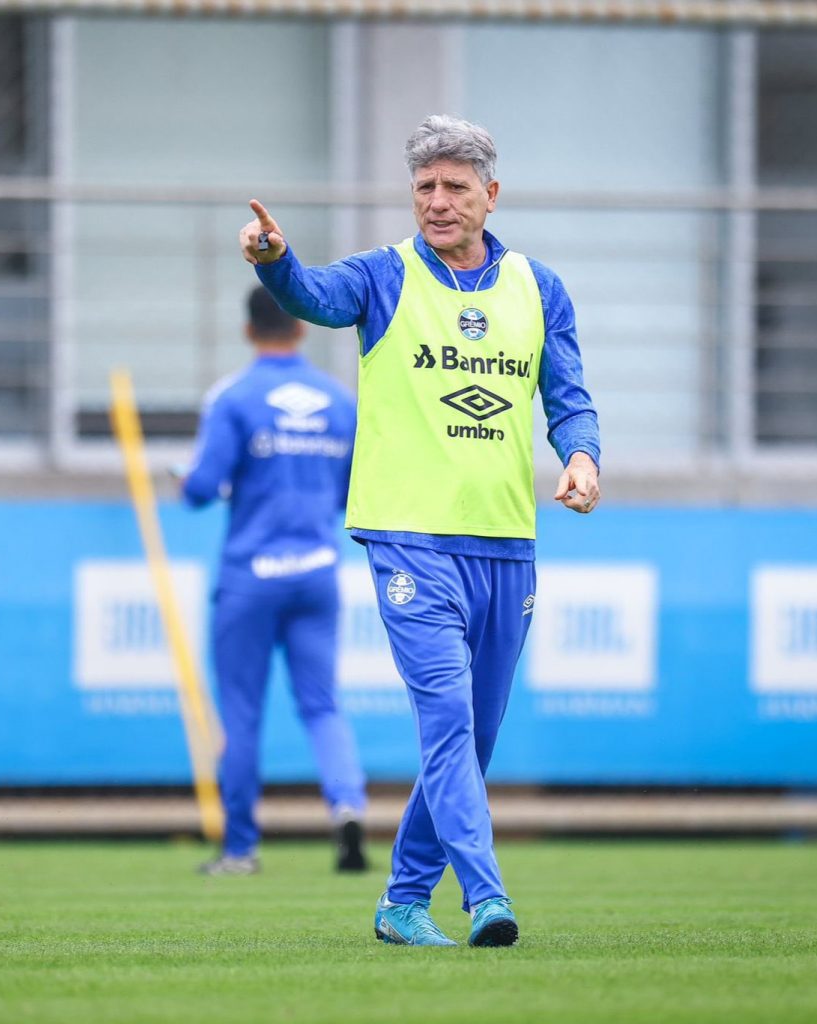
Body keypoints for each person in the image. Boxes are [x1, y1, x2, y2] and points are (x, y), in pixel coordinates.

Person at [239, 114, 600, 946]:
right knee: (443, 722)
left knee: (474, 737)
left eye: (454, 187)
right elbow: (314, 297)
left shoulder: (539, 289)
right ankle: (485, 897)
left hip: (505, 540)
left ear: (491, 194)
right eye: (424, 188)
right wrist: (274, 262)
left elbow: (569, 395)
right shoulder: (384, 275)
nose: (436, 203)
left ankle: (402, 902)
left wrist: (581, 456)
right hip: (408, 539)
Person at [181, 285, 368, 876]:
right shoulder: (340, 402)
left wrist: (183, 479)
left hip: (251, 577)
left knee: (241, 712)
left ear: (247, 331)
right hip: (317, 570)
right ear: (303, 328)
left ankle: (240, 849)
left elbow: (200, 489)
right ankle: (347, 808)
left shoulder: (233, 398)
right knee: (322, 705)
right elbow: (347, 494)